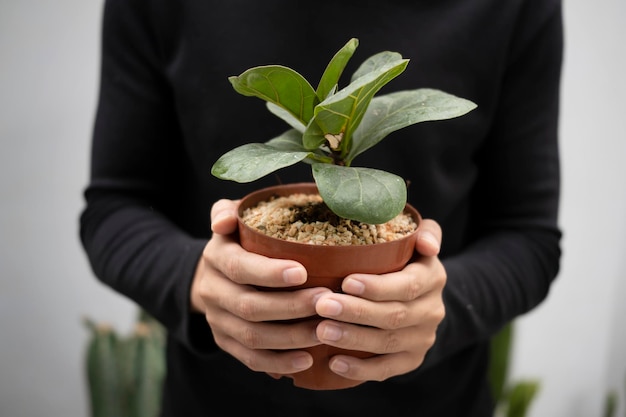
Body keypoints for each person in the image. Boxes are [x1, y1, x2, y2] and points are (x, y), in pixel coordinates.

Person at [79, 0, 563, 415]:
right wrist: (198, 282)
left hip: (437, 401)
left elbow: (528, 237)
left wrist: (441, 308)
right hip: (216, 400)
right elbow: (113, 208)